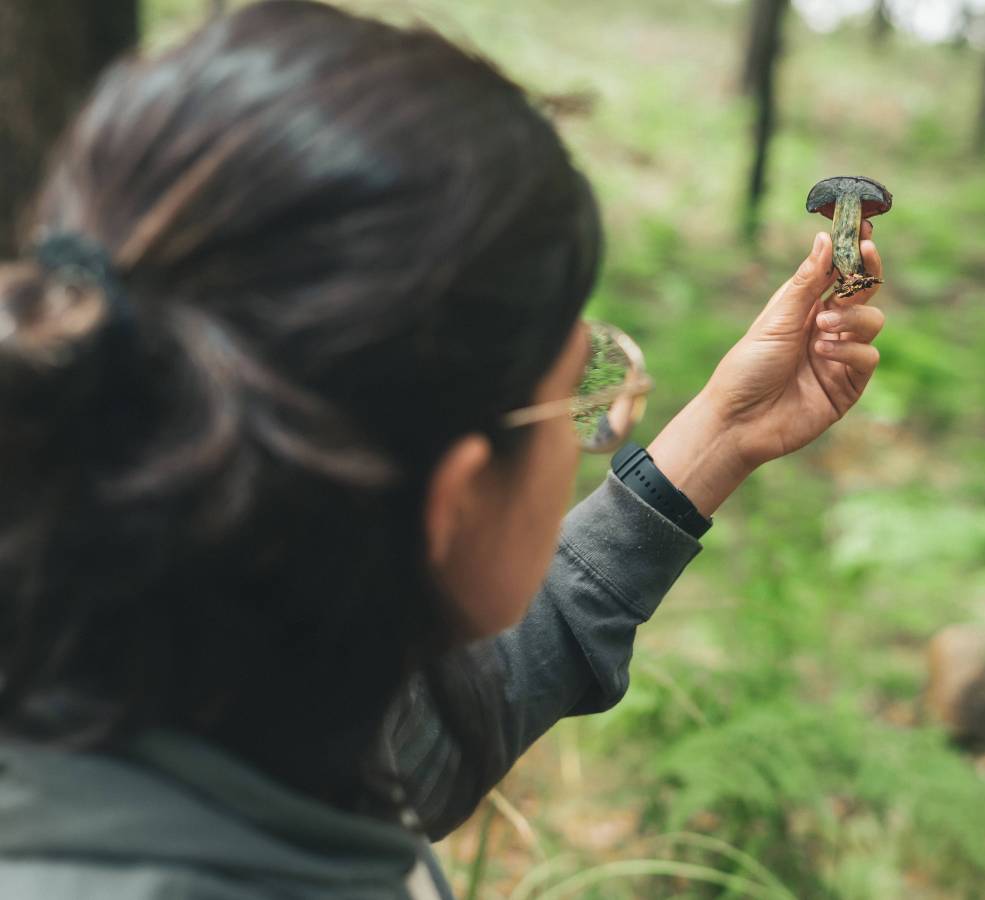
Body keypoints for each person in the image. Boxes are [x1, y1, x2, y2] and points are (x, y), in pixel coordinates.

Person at [0, 2, 885, 897]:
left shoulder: (190, 687)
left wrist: (722, 436)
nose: (602, 415)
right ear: (452, 502)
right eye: (584, 394)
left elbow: (428, 735)